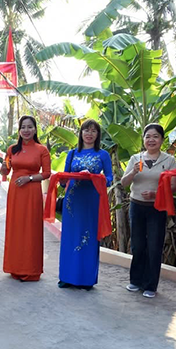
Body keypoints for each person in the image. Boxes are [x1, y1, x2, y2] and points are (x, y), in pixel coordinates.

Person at [121, 124, 176, 298]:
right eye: (148, 136)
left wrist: (156, 194)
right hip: (136, 206)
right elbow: (124, 183)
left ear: (162, 140)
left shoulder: (169, 160)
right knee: (137, 245)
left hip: (157, 208)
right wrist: (133, 172)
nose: (151, 140)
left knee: (154, 246)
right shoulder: (135, 158)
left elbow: (175, 186)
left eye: (155, 136)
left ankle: (150, 285)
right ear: (143, 139)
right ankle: (135, 281)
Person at [58, 120, 113, 290]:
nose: (89, 134)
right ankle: (66, 277)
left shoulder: (103, 154)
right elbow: (64, 178)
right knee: (70, 237)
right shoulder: (72, 153)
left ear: (98, 135)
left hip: (92, 201)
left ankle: (86, 279)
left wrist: (94, 177)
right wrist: (62, 179)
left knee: (89, 238)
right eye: (86, 130)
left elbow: (109, 179)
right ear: (81, 133)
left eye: (93, 131)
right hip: (72, 201)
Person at [0, 116, 51, 281]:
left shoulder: (42, 150)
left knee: (31, 228)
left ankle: (31, 269)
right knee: (15, 227)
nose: (26, 130)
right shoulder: (12, 149)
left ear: (35, 130)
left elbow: (46, 173)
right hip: (15, 192)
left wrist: (29, 178)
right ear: (19, 130)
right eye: (23, 127)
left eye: (30, 127)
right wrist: (3, 168)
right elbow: (5, 172)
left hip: (32, 192)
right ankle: (14, 267)